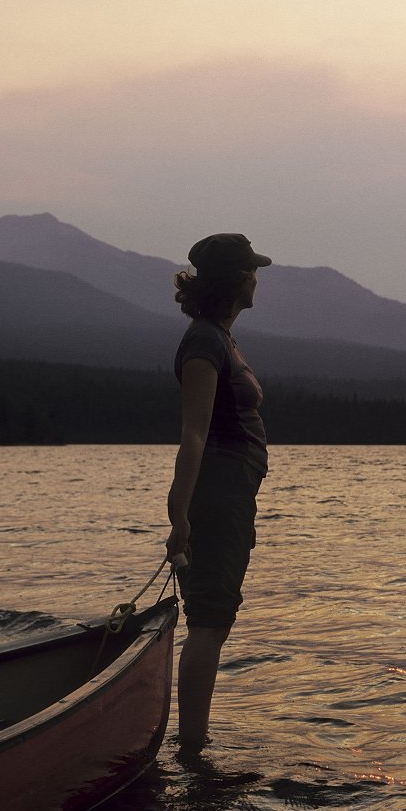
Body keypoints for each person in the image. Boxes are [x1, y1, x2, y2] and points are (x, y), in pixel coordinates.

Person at [166, 233, 272, 750]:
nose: (258, 277)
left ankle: (194, 744)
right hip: (216, 494)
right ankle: (192, 751)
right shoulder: (205, 343)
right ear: (235, 280)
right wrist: (180, 514)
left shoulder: (220, 337)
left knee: (216, 616)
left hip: (232, 494)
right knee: (208, 620)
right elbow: (194, 432)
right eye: (252, 269)